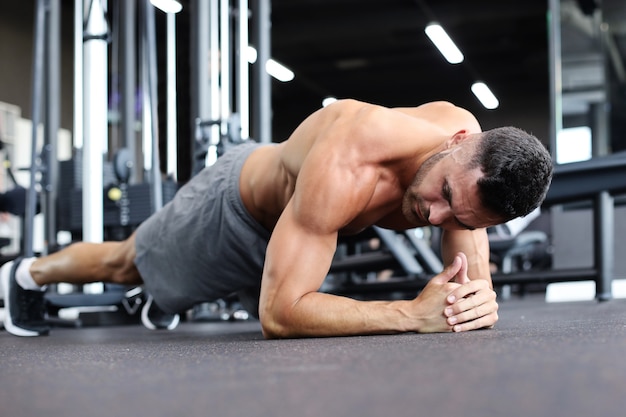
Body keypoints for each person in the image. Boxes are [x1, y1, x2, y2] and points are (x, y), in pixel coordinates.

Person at [1, 99, 553, 338]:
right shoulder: (353, 157)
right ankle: (26, 275)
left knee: (178, 286)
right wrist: (411, 313)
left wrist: (475, 301)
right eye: (442, 195)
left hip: (294, 231)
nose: (433, 216)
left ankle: (162, 295)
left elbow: (471, 283)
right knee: (127, 263)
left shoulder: (468, 170)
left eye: (459, 217)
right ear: (458, 142)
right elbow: (281, 315)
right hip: (235, 210)